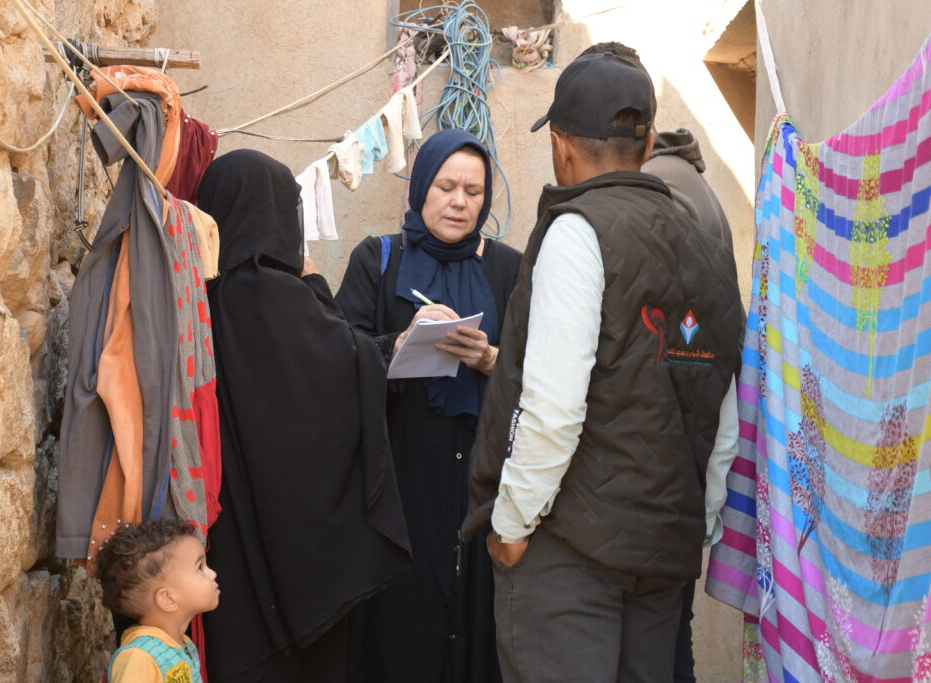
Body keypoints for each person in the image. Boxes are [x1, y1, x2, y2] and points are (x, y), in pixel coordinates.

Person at [462, 52, 743, 683]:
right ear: (646, 141)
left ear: (560, 147)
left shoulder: (578, 228)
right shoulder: (703, 238)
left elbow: (554, 405)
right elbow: (724, 393)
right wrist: (704, 519)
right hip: (662, 552)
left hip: (570, 556)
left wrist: (510, 523)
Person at [196, 149, 412, 682]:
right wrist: (315, 285)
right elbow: (345, 367)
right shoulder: (275, 293)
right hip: (297, 555)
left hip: (230, 533)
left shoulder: (205, 292)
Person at [580, 41, 741, 683]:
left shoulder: (655, 202)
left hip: (650, 492)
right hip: (679, 489)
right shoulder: (690, 187)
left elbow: (668, 364)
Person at [336, 129, 521, 683]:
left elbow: (538, 371)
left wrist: (490, 360)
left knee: (476, 621)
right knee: (401, 625)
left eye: (473, 190)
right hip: (400, 479)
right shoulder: (380, 261)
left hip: (482, 481)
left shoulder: (509, 269)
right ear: (421, 187)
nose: (460, 202)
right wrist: (399, 343)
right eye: (446, 186)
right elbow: (338, 360)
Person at [97, 520, 219, 683]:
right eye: (199, 568)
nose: (212, 574)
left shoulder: (181, 644)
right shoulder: (140, 657)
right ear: (168, 599)